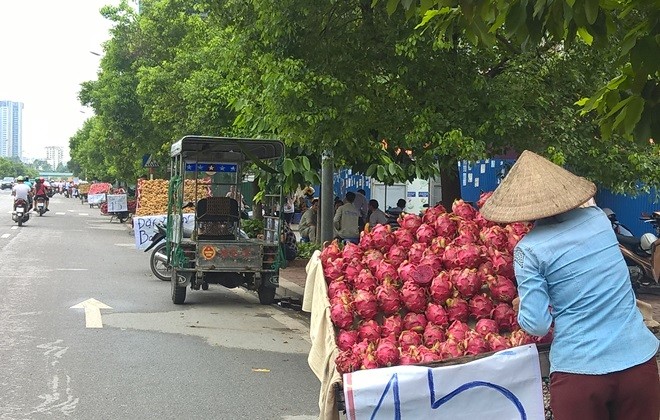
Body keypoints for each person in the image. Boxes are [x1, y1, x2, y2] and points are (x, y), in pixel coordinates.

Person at [480, 150, 659, 420]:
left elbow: (537, 324)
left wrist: (522, 306)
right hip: (638, 365)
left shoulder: (528, 250)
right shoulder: (599, 219)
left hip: (581, 374)